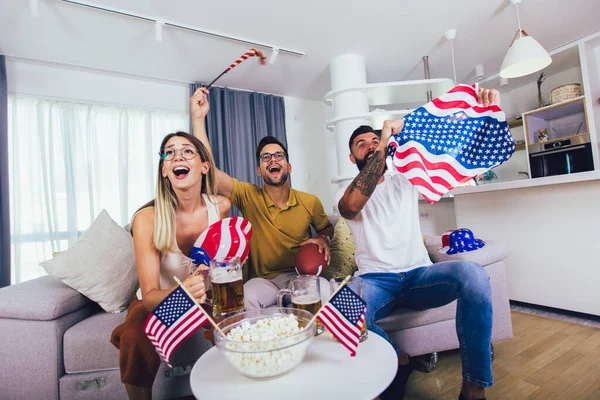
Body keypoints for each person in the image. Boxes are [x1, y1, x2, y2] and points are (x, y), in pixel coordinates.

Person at [336, 88, 501, 400]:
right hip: (374, 279)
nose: (372, 147)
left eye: (375, 141)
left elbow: (453, 144)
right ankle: (398, 358)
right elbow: (352, 206)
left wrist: (483, 110)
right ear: (352, 157)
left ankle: (474, 388)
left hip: (419, 276)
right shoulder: (346, 192)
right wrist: (383, 142)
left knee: (475, 276)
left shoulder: (407, 178)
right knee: (341, 309)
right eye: (363, 145)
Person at [110, 132, 231, 400]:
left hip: (206, 297)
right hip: (160, 299)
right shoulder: (147, 219)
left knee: (236, 326)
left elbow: (225, 256)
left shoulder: (221, 207)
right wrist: (183, 293)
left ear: (204, 166)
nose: (178, 156)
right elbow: (150, 295)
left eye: (188, 151)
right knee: (133, 334)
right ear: (165, 169)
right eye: (169, 152)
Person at [190, 87, 334, 310]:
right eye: (265, 157)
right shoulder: (248, 195)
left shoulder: (310, 202)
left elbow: (327, 228)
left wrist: (323, 239)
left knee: (324, 289)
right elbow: (210, 172)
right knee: (245, 296)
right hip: (263, 282)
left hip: (298, 277)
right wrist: (198, 119)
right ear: (259, 170)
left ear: (288, 165)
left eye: (279, 156)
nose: (272, 159)